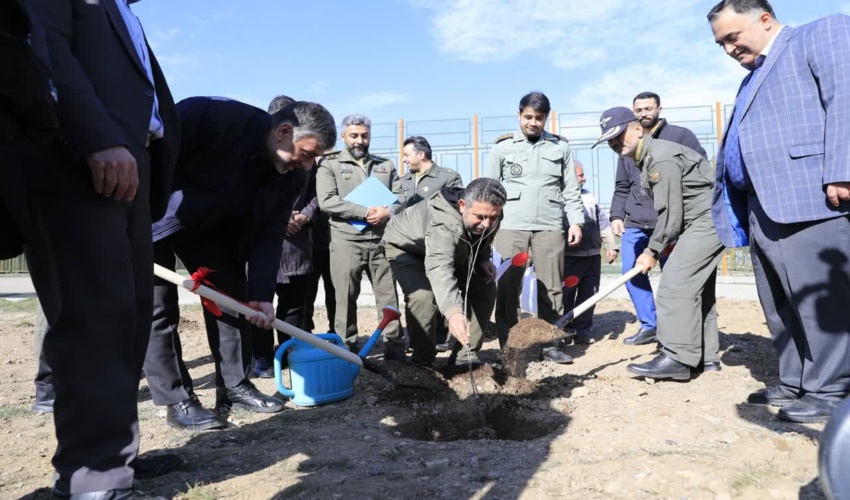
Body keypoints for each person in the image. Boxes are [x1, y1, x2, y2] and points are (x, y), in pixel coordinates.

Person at [23, 0, 181, 495]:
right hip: (82, 160)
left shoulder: (123, 10)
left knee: (128, 316)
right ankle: (90, 477)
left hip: (130, 163)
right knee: (95, 316)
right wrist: (95, 136)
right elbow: (42, 44)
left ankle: (113, 458)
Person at [145, 97, 336, 431]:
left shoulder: (291, 174)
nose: (308, 166)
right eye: (307, 154)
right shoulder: (210, 116)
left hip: (213, 230)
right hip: (155, 217)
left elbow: (271, 233)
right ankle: (178, 400)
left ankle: (234, 385)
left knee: (232, 300)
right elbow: (150, 154)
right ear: (284, 131)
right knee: (158, 309)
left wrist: (262, 295)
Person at [708, 0, 850, 422]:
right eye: (721, 44)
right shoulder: (752, 76)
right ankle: (796, 381)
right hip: (762, 204)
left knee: (817, 300)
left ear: (765, 19)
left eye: (733, 37)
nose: (729, 49)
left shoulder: (819, 33)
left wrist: (842, 169)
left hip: (812, 197)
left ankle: (832, 389)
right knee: (779, 301)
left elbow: (845, 95)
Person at [592, 107, 724, 382]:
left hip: (703, 221)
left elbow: (671, 213)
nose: (616, 143)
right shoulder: (648, 157)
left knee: (674, 284)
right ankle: (706, 357)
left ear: (638, 129)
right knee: (697, 289)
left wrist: (652, 250)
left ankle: (677, 357)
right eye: (610, 140)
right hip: (700, 221)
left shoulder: (659, 159)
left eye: (620, 135)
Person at [486, 91, 583, 363]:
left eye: (539, 118)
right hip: (510, 226)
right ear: (519, 115)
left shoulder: (560, 148)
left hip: (549, 225)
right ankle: (509, 344)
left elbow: (571, 190)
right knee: (507, 286)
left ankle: (551, 343)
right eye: (528, 117)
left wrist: (575, 221)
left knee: (552, 287)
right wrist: (489, 226)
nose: (533, 123)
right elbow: (490, 191)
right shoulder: (501, 148)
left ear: (546, 118)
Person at [609, 91, 707, 346]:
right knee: (632, 272)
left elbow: (700, 171)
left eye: (648, 108)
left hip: (671, 221)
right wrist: (616, 215)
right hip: (636, 221)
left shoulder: (680, 136)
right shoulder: (626, 146)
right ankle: (650, 325)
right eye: (638, 110)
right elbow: (622, 186)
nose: (644, 114)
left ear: (659, 108)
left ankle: (677, 330)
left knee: (674, 279)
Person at [383, 178, 504, 366]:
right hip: (407, 248)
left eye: (493, 217)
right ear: (462, 205)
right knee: (423, 297)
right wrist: (454, 313)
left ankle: (465, 355)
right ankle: (422, 360)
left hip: (454, 248)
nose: (487, 223)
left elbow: (484, 236)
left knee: (484, 287)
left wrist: (483, 258)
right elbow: (440, 266)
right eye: (480, 217)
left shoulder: (489, 210)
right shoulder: (443, 221)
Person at [316, 114, 404, 358]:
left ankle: (395, 347)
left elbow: (400, 196)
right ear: (343, 136)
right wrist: (365, 212)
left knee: (388, 295)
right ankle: (346, 347)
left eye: (364, 135)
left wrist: (388, 211)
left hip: (381, 240)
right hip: (346, 240)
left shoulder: (384, 165)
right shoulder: (329, 164)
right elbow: (327, 201)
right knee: (345, 296)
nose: (359, 141)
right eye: (353, 135)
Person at [249, 94, 319, 378]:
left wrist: (303, 215)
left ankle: (289, 354)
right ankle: (262, 358)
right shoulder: (256, 154)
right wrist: (276, 218)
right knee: (258, 301)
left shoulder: (307, 159)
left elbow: (318, 194)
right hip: (262, 239)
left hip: (298, 240)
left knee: (294, 305)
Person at [562, 161, 618, 344]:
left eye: (584, 174)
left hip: (592, 256)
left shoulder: (590, 197)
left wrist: (610, 246)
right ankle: (563, 330)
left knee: (589, 294)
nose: (584, 178)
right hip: (569, 258)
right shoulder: (559, 198)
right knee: (566, 294)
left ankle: (583, 331)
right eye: (580, 175)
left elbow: (603, 223)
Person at [399, 135, 463, 209]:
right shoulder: (402, 181)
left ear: (421, 155)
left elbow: (455, 209)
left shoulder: (449, 178)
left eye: (406, 155)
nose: (403, 159)